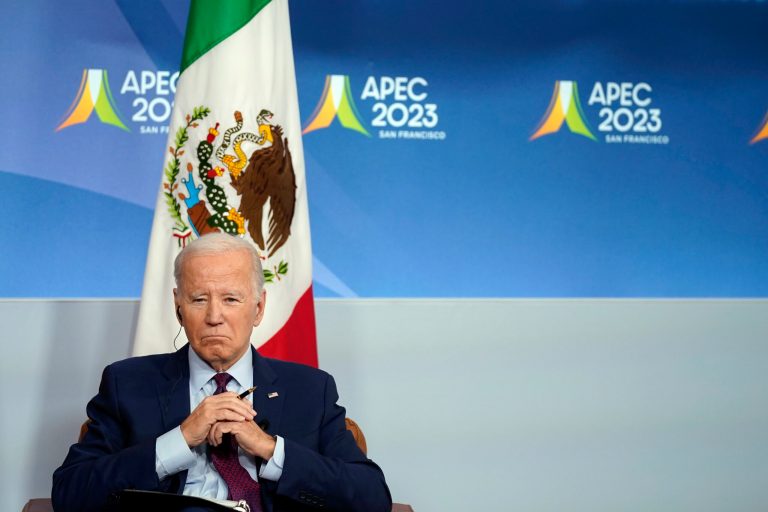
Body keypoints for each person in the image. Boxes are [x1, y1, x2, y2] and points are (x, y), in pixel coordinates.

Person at [52, 233, 391, 512]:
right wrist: (180, 439)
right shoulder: (127, 384)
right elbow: (70, 493)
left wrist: (270, 448)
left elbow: (372, 497)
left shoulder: (309, 390)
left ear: (258, 308)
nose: (214, 316)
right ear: (178, 307)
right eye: (199, 299)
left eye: (230, 299)